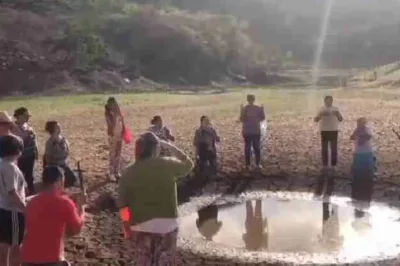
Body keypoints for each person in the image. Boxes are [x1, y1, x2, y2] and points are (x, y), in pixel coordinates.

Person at [118, 132, 194, 265]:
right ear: (156, 148)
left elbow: (123, 206)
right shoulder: (167, 164)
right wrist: (171, 147)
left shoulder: (129, 172)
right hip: (167, 225)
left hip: (140, 226)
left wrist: (126, 228)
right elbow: (189, 164)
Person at [20, 166, 85, 266]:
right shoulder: (65, 203)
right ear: (58, 181)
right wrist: (81, 207)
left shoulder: (32, 202)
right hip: (51, 259)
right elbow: (77, 229)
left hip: (28, 258)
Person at [0, 135, 26, 266]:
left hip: (2, 208)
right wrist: (25, 209)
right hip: (13, 211)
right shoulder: (11, 168)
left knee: (3, 245)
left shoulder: (1, 164)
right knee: (16, 246)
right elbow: (12, 191)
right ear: (17, 151)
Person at [350, 117, 375, 212]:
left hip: (365, 151)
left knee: (366, 169)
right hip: (358, 151)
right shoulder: (357, 130)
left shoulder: (366, 129)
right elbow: (351, 137)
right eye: (358, 123)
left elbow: (369, 136)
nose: (358, 125)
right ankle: (359, 183)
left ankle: (365, 182)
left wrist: (361, 135)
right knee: (358, 170)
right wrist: (356, 134)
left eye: (360, 123)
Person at [12, 107, 38, 195]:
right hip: (20, 157)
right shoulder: (13, 128)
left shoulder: (28, 126)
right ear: (18, 116)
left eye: (28, 116)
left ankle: (32, 190)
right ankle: (19, 193)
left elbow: (34, 140)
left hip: (30, 155)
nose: (28, 118)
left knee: (30, 174)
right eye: (26, 116)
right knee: (19, 175)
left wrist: (36, 151)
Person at [43, 121, 77, 188]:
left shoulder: (63, 139)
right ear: (52, 129)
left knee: (72, 179)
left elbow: (67, 151)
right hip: (55, 166)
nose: (60, 128)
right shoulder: (49, 142)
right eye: (57, 127)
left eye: (59, 127)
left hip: (63, 164)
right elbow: (48, 157)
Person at [314, 96, 343, 172]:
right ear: (324, 101)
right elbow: (316, 120)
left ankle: (333, 165)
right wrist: (321, 115)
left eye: (330, 101)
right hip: (324, 130)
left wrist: (337, 114)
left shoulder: (335, 109)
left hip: (333, 130)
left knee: (334, 149)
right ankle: (325, 165)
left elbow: (341, 119)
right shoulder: (321, 109)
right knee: (324, 149)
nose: (328, 102)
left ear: (332, 101)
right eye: (327, 101)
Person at [240, 94, 266, 170]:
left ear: (247, 100)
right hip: (256, 131)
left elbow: (241, 119)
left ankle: (248, 165)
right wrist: (262, 110)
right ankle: (257, 164)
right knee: (256, 147)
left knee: (247, 148)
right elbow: (262, 118)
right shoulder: (258, 108)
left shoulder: (245, 109)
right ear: (254, 99)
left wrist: (241, 110)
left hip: (247, 131)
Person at [105, 97, 125, 182]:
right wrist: (116, 116)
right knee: (112, 154)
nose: (116, 105)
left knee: (118, 153)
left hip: (119, 134)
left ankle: (117, 171)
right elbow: (111, 126)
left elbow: (123, 122)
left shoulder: (119, 112)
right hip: (113, 135)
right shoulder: (108, 114)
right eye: (113, 104)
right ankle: (111, 173)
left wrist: (124, 129)